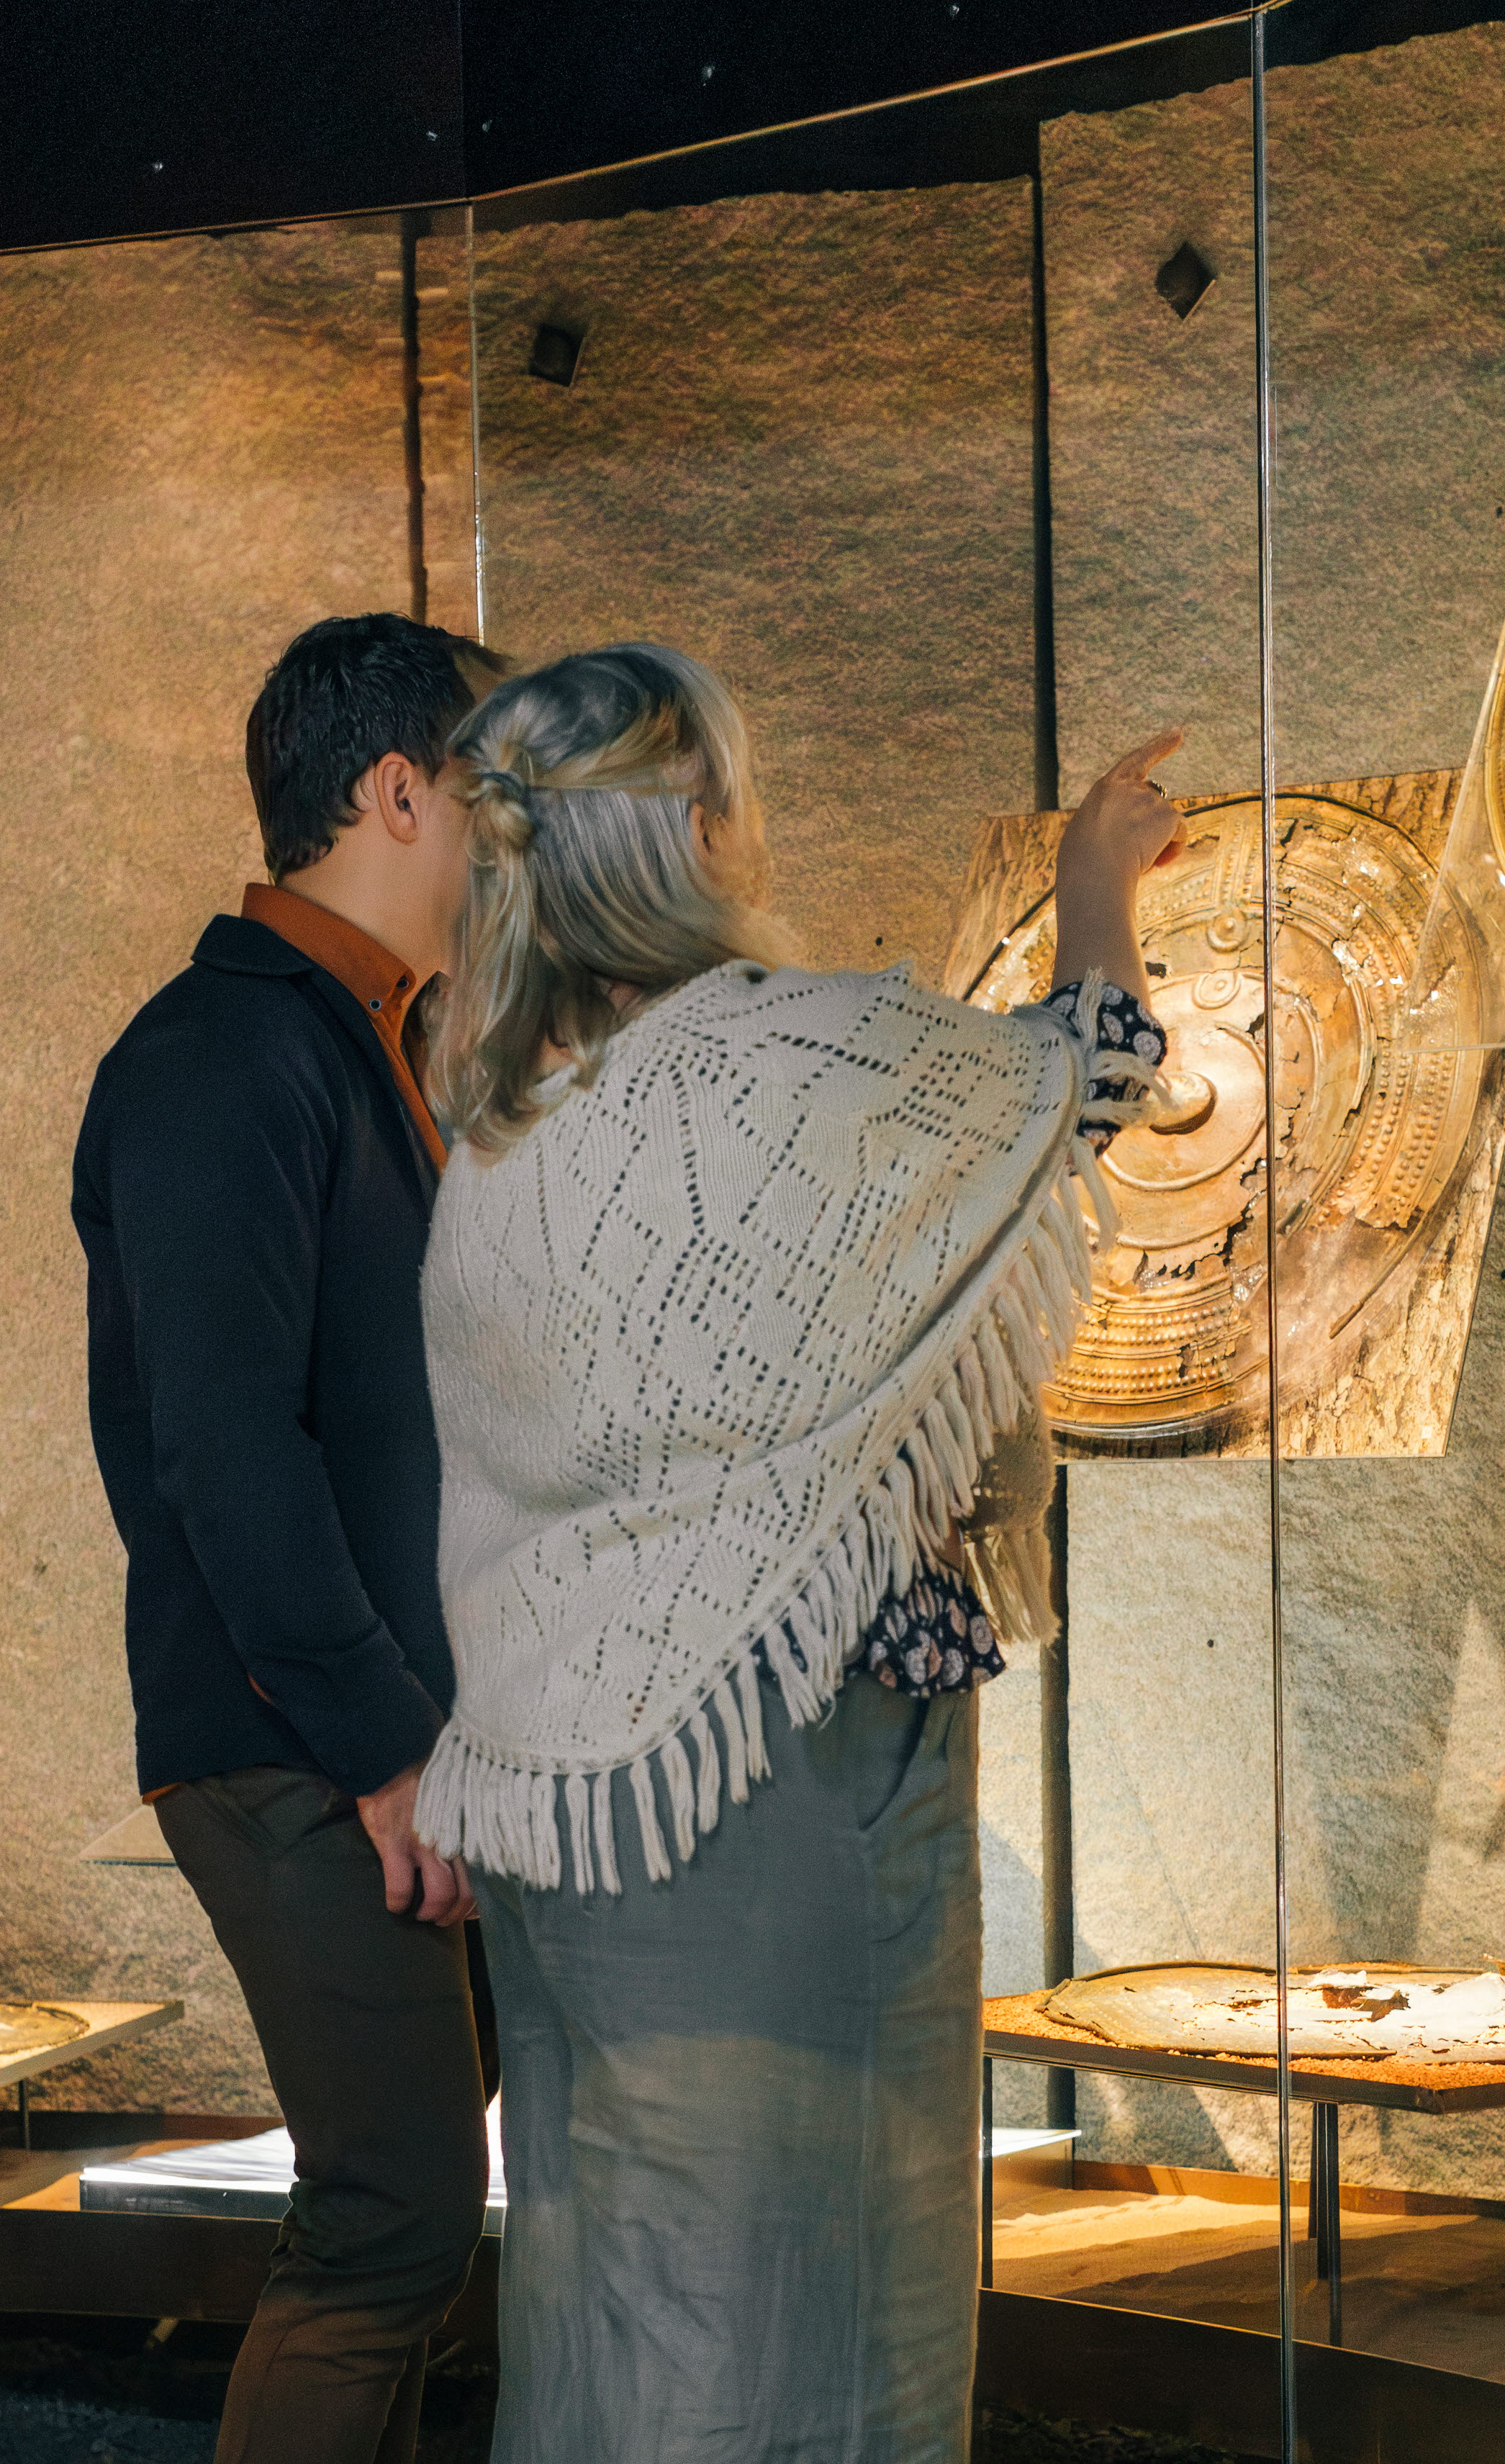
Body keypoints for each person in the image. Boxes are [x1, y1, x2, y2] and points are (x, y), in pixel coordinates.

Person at [410, 642, 1180, 2464]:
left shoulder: (504, 1118)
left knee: (619, 2293)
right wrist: (1091, 888)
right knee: (812, 2318)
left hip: (573, 1799)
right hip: (777, 1775)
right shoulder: (784, 1056)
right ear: (693, 826)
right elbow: (1085, 1076)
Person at [73, 613, 507, 2464]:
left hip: (360, 1735)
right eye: (498, 795)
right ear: (399, 789)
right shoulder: (222, 1053)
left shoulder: (358, 1041)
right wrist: (385, 1750)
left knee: (407, 2226)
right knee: (391, 2220)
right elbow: (223, 1448)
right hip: (297, 1742)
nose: (520, 844)